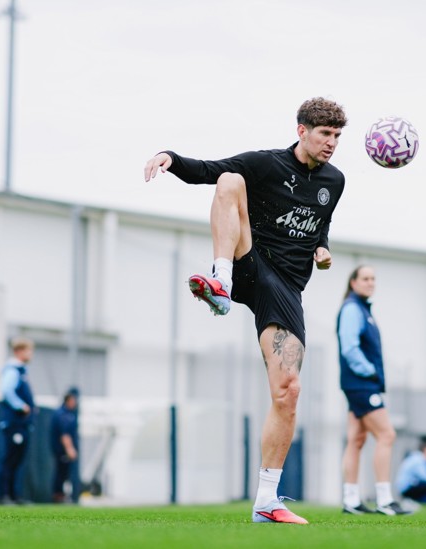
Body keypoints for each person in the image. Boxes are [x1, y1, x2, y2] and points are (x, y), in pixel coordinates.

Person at [144, 97, 349, 525]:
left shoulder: (335, 180)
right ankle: (220, 279)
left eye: (337, 135)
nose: (332, 142)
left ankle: (266, 502)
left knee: (288, 391)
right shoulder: (266, 164)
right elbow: (207, 170)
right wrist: (170, 158)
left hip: (286, 289)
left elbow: (322, 221)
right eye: (325, 133)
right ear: (302, 131)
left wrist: (322, 247)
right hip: (250, 261)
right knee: (230, 180)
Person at [337, 265, 411, 515]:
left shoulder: (361, 309)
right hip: (361, 384)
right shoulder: (352, 309)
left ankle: (351, 500)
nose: (370, 283)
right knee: (387, 435)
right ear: (354, 282)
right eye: (365, 278)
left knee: (356, 440)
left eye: (373, 279)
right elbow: (349, 348)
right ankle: (384, 500)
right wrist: (370, 371)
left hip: (358, 384)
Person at [0, 336, 36, 504]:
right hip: (14, 423)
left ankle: (14, 495)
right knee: (10, 458)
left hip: (21, 424)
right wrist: (21, 406)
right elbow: (7, 391)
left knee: (18, 459)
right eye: (28, 350)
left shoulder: (22, 371)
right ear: (19, 351)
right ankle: (4, 495)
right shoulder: (13, 370)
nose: (31, 354)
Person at [50, 387, 81, 503]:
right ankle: (58, 495)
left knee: (62, 472)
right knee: (61, 473)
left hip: (61, 450)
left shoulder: (68, 413)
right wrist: (70, 449)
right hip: (62, 451)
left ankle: (60, 494)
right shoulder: (63, 415)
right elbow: (65, 435)